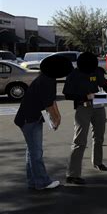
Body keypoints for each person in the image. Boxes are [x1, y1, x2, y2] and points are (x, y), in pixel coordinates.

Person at [14, 55, 73, 190]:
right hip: (29, 120)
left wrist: (58, 117)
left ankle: (33, 181)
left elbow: (51, 101)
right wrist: (56, 119)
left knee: (31, 151)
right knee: (36, 152)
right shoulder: (47, 81)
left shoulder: (47, 78)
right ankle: (42, 182)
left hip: (28, 118)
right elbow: (48, 105)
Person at [63, 52, 107, 185]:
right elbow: (67, 94)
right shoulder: (73, 75)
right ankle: (72, 174)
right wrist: (85, 96)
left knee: (99, 137)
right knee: (79, 141)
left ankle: (98, 162)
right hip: (82, 107)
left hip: (98, 106)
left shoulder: (96, 71)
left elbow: (104, 84)